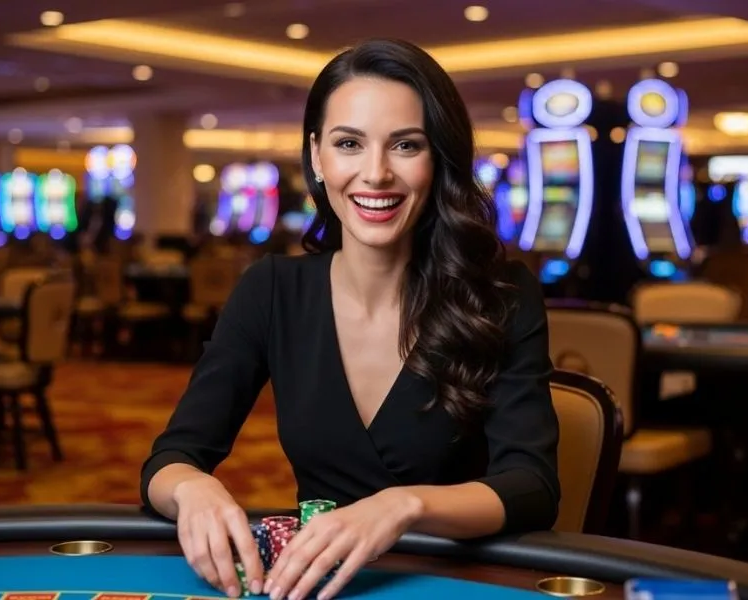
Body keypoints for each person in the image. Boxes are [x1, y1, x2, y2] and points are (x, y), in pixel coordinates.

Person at [140, 38, 560, 600]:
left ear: (439, 158)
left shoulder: (503, 296)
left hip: (451, 581)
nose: (376, 173)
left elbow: (531, 485)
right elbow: (170, 460)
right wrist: (192, 489)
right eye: (349, 144)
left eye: (406, 145)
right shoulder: (271, 290)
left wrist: (401, 506)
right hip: (318, 587)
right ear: (317, 156)